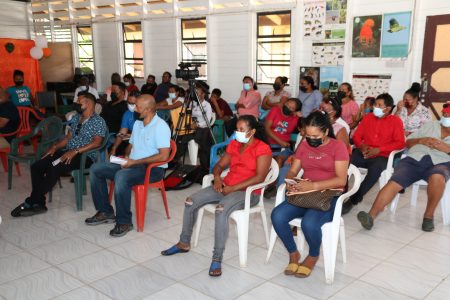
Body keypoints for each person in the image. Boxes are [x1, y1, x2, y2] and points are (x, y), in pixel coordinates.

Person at [161, 115, 272, 276]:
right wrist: (218, 178)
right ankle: (184, 243)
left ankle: (217, 258)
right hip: (226, 186)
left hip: (247, 192)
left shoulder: (262, 148)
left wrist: (233, 188)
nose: (238, 132)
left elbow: (260, 178)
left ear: (252, 131)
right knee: (190, 202)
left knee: (221, 211)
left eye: (242, 130)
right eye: (236, 129)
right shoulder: (234, 144)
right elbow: (219, 165)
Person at [271, 111, 349, 278]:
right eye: (307, 135)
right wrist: (291, 182)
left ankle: (313, 255)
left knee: (309, 224)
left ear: (326, 131)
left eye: (315, 136)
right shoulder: (304, 145)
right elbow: (293, 170)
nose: (310, 139)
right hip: (305, 192)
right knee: (277, 215)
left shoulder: (338, 147)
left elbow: (341, 180)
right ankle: (293, 253)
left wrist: (312, 185)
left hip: (328, 195)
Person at [357, 101, 450, 232]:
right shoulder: (431, 126)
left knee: (437, 178)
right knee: (395, 181)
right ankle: (370, 216)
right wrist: (421, 140)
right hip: (414, 159)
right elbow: (407, 142)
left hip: (441, 163)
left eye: (448, 116)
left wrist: (447, 149)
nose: (445, 118)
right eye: (444, 114)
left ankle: (428, 216)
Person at [86, 94, 171, 237]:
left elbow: (164, 156)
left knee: (121, 176)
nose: (134, 109)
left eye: (138, 107)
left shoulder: (161, 126)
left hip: (152, 169)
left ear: (149, 109)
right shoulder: (138, 123)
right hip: (132, 165)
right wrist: (125, 158)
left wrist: (134, 162)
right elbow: (131, 145)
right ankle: (105, 211)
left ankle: (124, 222)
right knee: (96, 169)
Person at [11, 92, 107, 217]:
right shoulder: (78, 118)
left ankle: (32, 201)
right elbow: (68, 137)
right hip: (68, 152)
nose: (76, 104)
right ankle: (39, 203)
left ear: (88, 103)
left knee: (54, 168)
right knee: (36, 166)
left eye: (79, 102)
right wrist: (55, 147)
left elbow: (97, 143)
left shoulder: (98, 121)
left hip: (84, 156)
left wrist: (76, 151)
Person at [342, 93, 405, 215]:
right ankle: (338, 194)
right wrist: (362, 146)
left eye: (379, 105)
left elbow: (400, 143)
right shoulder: (368, 117)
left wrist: (380, 149)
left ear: (388, 108)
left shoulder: (396, 121)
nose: (375, 107)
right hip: (363, 151)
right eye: (375, 104)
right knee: (345, 162)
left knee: (375, 170)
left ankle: (353, 200)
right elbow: (356, 136)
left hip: (382, 156)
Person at [264, 98, 301, 166]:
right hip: (268, 145)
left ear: (294, 111)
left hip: (283, 148)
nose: (287, 107)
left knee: (279, 160)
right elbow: (267, 128)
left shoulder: (296, 118)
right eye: (287, 104)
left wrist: (301, 117)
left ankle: (278, 177)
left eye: (291, 108)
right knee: (265, 162)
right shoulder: (275, 110)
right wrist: (280, 142)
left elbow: (306, 128)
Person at [109, 91, 139, 157]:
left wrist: (131, 135)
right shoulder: (127, 114)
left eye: (133, 103)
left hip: (142, 142)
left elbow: (148, 134)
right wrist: (114, 148)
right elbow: (122, 132)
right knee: (115, 147)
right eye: (128, 103)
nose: (130, 105)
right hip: (131, 138)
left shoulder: (145, 115)